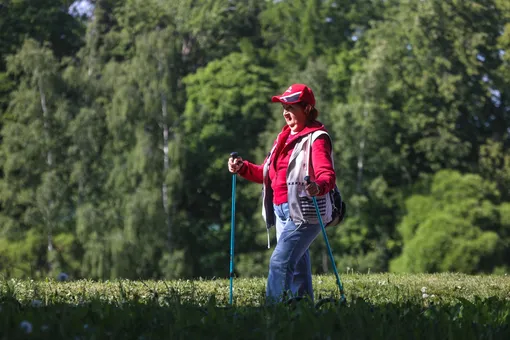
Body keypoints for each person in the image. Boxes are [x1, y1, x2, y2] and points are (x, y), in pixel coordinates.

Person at [227, 83, 336, 304]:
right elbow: (268, 175)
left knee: (280, 262)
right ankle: (302, 313)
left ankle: (274, 315)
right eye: (283, 107)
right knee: (296, 267)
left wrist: (319, 186)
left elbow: (327, 174)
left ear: (306, 109)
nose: (285, 112)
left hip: (304, 211)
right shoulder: (283, 137)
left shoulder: (317, 138)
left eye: (291, 107)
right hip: (281, 212)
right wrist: (243, 168)